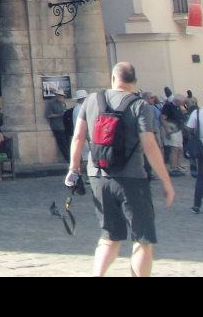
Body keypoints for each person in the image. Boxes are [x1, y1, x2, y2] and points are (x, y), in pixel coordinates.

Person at [68, 62, 174, 278]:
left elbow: (78, 137)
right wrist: (166, 181)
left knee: (109, 237)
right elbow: (150, 145)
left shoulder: (91, 100)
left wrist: (73, 169)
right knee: (143, 240)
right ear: (134, 82)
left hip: (97, 175)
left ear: (113, 78)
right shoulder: (139, 105)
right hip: (132, 178)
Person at [46, 91, 70, 160]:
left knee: (67, 143)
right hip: (57, 127)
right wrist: (59, 115)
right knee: (63, 144)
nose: (61, 97)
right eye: (60, 95)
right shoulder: (51, 103)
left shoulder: (63, 103)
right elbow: (48, 115)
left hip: (64, 126)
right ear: (56, 95)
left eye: (62, 95)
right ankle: (68, 159)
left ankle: (70, 158)